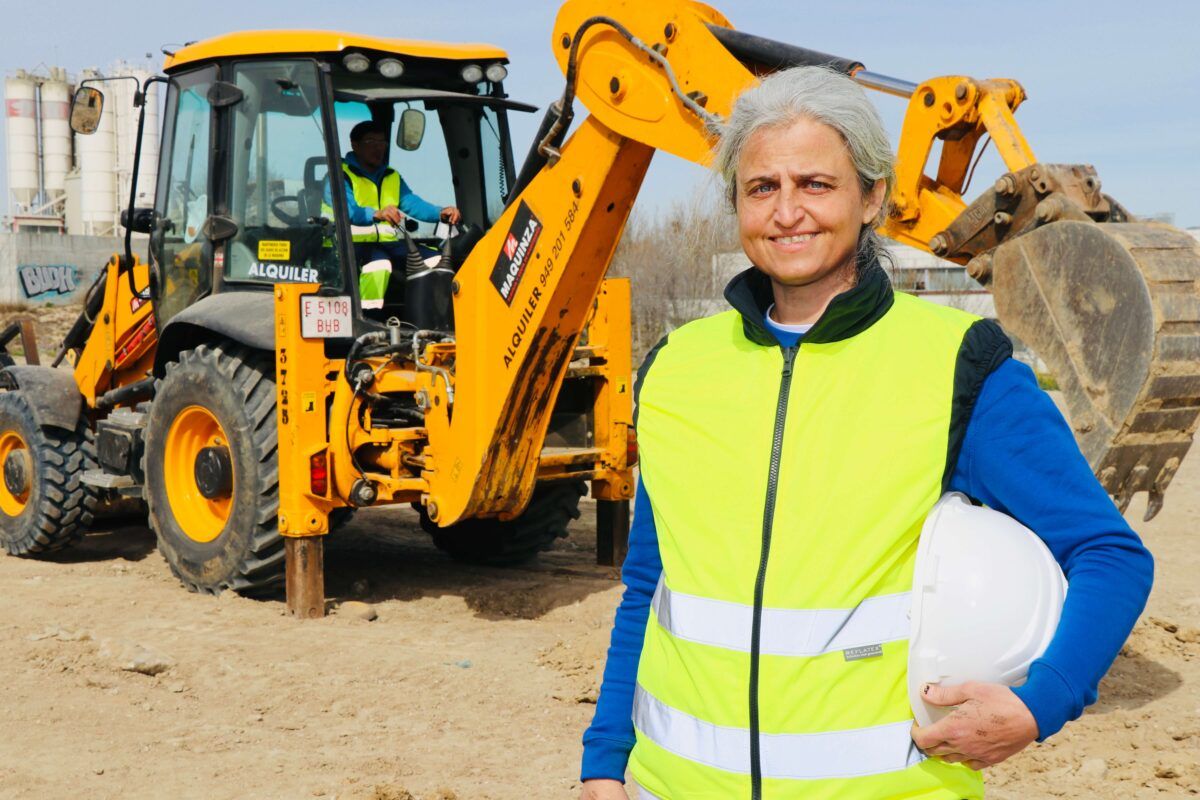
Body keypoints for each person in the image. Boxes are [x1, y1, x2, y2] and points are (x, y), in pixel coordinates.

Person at [579, 67, 1153, 800]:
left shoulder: (960, 365)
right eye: (762, 188)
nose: (787, 212)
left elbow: (1108, 553)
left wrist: (1040, 706)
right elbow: (649, 585)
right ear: (737, 203)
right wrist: (603, 761)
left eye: (816, 184)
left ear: (872, 196)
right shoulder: (676, 369)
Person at [334, 119, 462, 309]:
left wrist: (440, 212)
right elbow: (347, 211)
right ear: (355, 145)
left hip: (388, 244)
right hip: (350, 247)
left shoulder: (391, 176)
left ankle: (429, 317)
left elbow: (412, 203)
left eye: (382, 143)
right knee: (379, 267)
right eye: (371, 143)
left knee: (437, 261)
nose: (379, 148)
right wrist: (377, 213)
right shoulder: (339, 174)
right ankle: (367, 318)